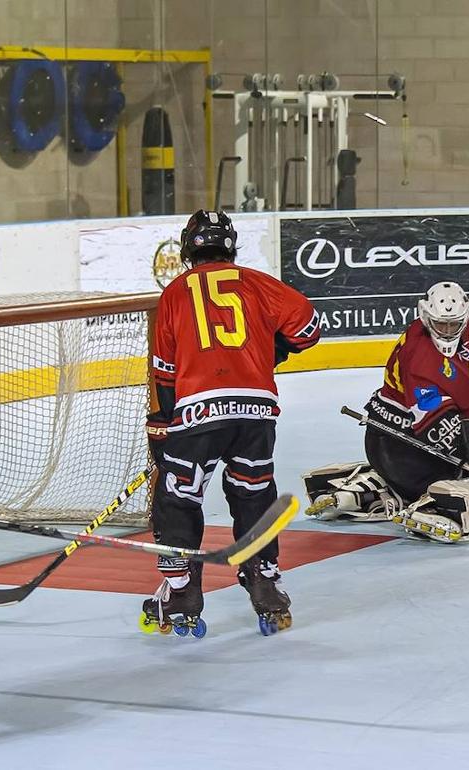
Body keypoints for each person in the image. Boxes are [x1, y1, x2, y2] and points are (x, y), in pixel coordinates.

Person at [144, 210, 319, 637]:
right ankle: (264, 578)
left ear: (188, 249)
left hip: (197, 413)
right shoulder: (257, 283)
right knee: (253, 495)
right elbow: (310, 328)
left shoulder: (174, 293)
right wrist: (272, 349)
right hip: (255, 413)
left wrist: (164, 422)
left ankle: (182, 589)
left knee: (178, 497)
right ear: (230, 247)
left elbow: (165, 370)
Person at [302, 281, 469, 544]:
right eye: (439, 324)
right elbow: (436, 423)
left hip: (386, 434)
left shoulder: (455, 328)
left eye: (452, 324)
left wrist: (467, 383)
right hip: (402, 449)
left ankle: (367, 490)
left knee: (445, 468)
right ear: (425, 315)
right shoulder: (420, 362)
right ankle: (434, 507)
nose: (446, 331)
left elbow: (453, 369)